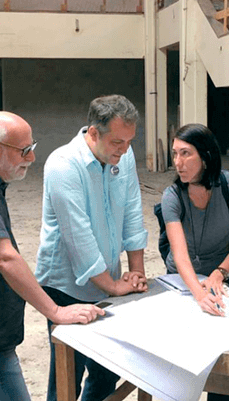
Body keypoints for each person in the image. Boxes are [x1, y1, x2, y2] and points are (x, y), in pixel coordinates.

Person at [0, 111, 103, 401]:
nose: (31, 158)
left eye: (32, 148)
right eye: (24, 151)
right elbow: (4, 258)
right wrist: (55, 311)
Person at [36, 94, 149, 401]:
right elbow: (78, 236)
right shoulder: (63, 165)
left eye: (129, 141)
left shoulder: (122, 157)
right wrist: (113, 286)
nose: (125, 150)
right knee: (66, 375)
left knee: (106, 370)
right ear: (94, 133)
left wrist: (136, 273)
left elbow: (132, 211)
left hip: (107, 282)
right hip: (65, 286)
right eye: (117, 142)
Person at [162, 123, 229, 318]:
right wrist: (200, 295)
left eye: (185, 153)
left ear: (206, 156)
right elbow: (180, 256)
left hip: (224, 274)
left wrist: (219, 274)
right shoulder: (171, 197)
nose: (178, 162)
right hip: (183, 280)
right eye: (175, 154)